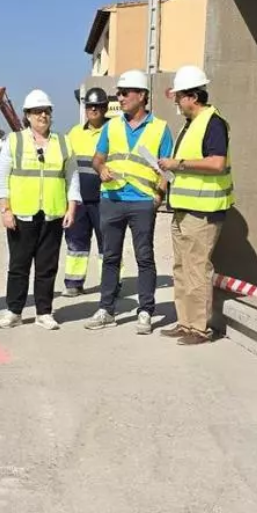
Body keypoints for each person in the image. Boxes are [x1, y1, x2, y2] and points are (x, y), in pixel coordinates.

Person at [85, 69, 174, 335]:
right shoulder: (112, 125)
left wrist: (157, 198)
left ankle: (145, 310)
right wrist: (101, 170)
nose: (120, 98)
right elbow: (98, 158)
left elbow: (167, 171)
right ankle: (106, 309)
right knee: (110, 257)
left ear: (142, 95)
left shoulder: (160, 129)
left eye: (125, 93)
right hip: (111, 199)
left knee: (144, 257)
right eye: (119, 94)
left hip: (142, 202)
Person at [157, 66, 234, 346]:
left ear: (192, 96)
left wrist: (178, 164)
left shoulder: (213, 123)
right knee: (182, 268)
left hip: (203, 212)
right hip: (184, 209)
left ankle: (200, 329)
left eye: (179, 97)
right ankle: (186, 323)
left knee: (197, 269)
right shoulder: (190, 125)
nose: (176, 103)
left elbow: (217, 163)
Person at [0, 89, 80, 330]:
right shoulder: (15, 140)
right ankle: (14, 311)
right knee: (19, 265)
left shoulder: (63, 142)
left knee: (47, 265)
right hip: (21, 213)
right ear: (27, 115)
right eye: (37, 111)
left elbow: (72, 177)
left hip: (52, 213)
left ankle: (44, 312)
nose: (43, 115)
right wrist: (5, 209)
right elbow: (2, 176)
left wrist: (71, 207)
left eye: (46, 111)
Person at [61, 86, 109, 296]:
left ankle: (109, 283)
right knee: (75, 243)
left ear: (105, 108)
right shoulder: (74, 133)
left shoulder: (112, 131)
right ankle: (73, 282)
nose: (94, 110)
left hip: (105, 198)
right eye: (90, 106)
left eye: (98, 106)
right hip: (79, 199)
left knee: (108, 243)